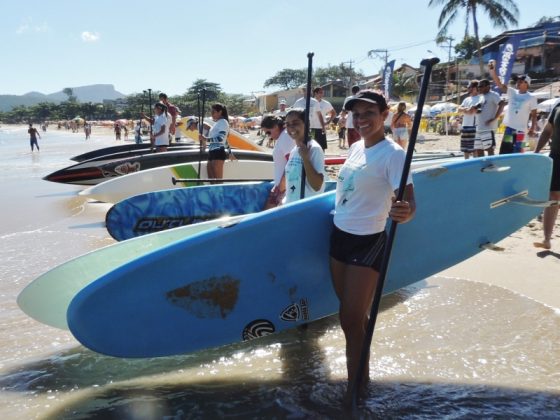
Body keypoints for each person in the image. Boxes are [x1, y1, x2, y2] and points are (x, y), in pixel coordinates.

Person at [329, 90, 415, 403]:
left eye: (369, 113)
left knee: (351, 318)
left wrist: (405, 212)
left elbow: (408, 200)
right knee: (351, 317)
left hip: (368, 240)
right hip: (339, 234)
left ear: (384, 114)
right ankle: (362, 376)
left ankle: (355, 389)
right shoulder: (354, 146)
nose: (362, 120)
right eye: (357, 114)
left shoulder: (394, 154)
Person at [489, 62, 538, 154]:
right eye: (517, 81)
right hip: (510, 128)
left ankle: (519, 167)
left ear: (527, 84)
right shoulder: (512, 92)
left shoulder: (531, 97)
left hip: (522, 130)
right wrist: (492, 71)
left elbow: (534, 115)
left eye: (520, 81)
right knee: (505, 151)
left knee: (519, 150)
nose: (518, 82)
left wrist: (532, 128)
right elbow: (499, 84)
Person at [283, 108, 326, 203]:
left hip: (305, 208)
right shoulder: (294, 150)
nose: (291, 127)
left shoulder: (314, 149)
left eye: (295, 123)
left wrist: (306, 159)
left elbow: (317, 186)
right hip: (291, 206)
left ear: (307, 124)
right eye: (288, 124)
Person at [533, 102, 560, 250]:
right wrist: (536, 151)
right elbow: (547, 131)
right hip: (556, 156)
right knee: (553, 196)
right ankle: (546, 239)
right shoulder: (558, 106)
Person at [260, 115, 296, 209]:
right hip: (282, 186)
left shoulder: (285, 138)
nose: (269, 136)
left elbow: (292, 163)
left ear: (276, 126)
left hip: (284, 187)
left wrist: (280, 187)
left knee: (266, 216)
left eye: (268, 132)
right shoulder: (283, 137)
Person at [199, 103, 231, 182]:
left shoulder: (223, 122)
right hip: (211, 152)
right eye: (211, 112)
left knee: (218, 181)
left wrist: (205, 139)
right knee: (212, 181)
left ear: (220, 112)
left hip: (218, 153)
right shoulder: (217, 123)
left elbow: (220, 138)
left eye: (213, 112)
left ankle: (220, 194)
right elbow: (225, 140)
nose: (211, 114)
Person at [475, 79, 506, 157]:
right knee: (479, 149)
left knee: (489, 148)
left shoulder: (493, 95)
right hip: (479, 127)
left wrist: (495, 118)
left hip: (488, 128)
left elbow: (502, 104)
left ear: (488, 87)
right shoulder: (481, 96)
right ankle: (482, 166)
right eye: (478, 87)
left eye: (481, 86)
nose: (479, 88)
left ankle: (491, 165)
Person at [458, 80, 482, 159]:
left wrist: (466, 110)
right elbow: (459, 109)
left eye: (470, 87)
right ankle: (466, 162)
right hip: (465, 125)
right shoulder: (466, 99)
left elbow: (473, 111)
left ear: (475, 88)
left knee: (474, 148)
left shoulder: (480, 98)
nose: (468, 88)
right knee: (465, 148)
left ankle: (475, 164)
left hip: (474, 126)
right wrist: (466, 109)